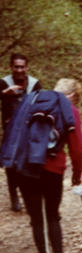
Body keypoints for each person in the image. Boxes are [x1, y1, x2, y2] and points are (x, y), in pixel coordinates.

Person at [1, 78, 82, 253]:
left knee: (37, 219)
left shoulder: (29, 102)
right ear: (72, 95)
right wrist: (77, 174)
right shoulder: (70, 109)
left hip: (24, 166)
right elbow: (78, 149)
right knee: (52, 216)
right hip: (52, 169)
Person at [0, 53, 42, 211]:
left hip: (29, 129)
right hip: (9, 130)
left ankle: (30, 195)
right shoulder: (4, 83)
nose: (19, 70)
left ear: (27, 67)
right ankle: (14, 196)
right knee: (10, 164)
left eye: (22, 67)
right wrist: (5, 94)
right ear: (10, 67)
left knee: (29, 161)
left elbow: (42, 103)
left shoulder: (34, 83)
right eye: (16, 67)